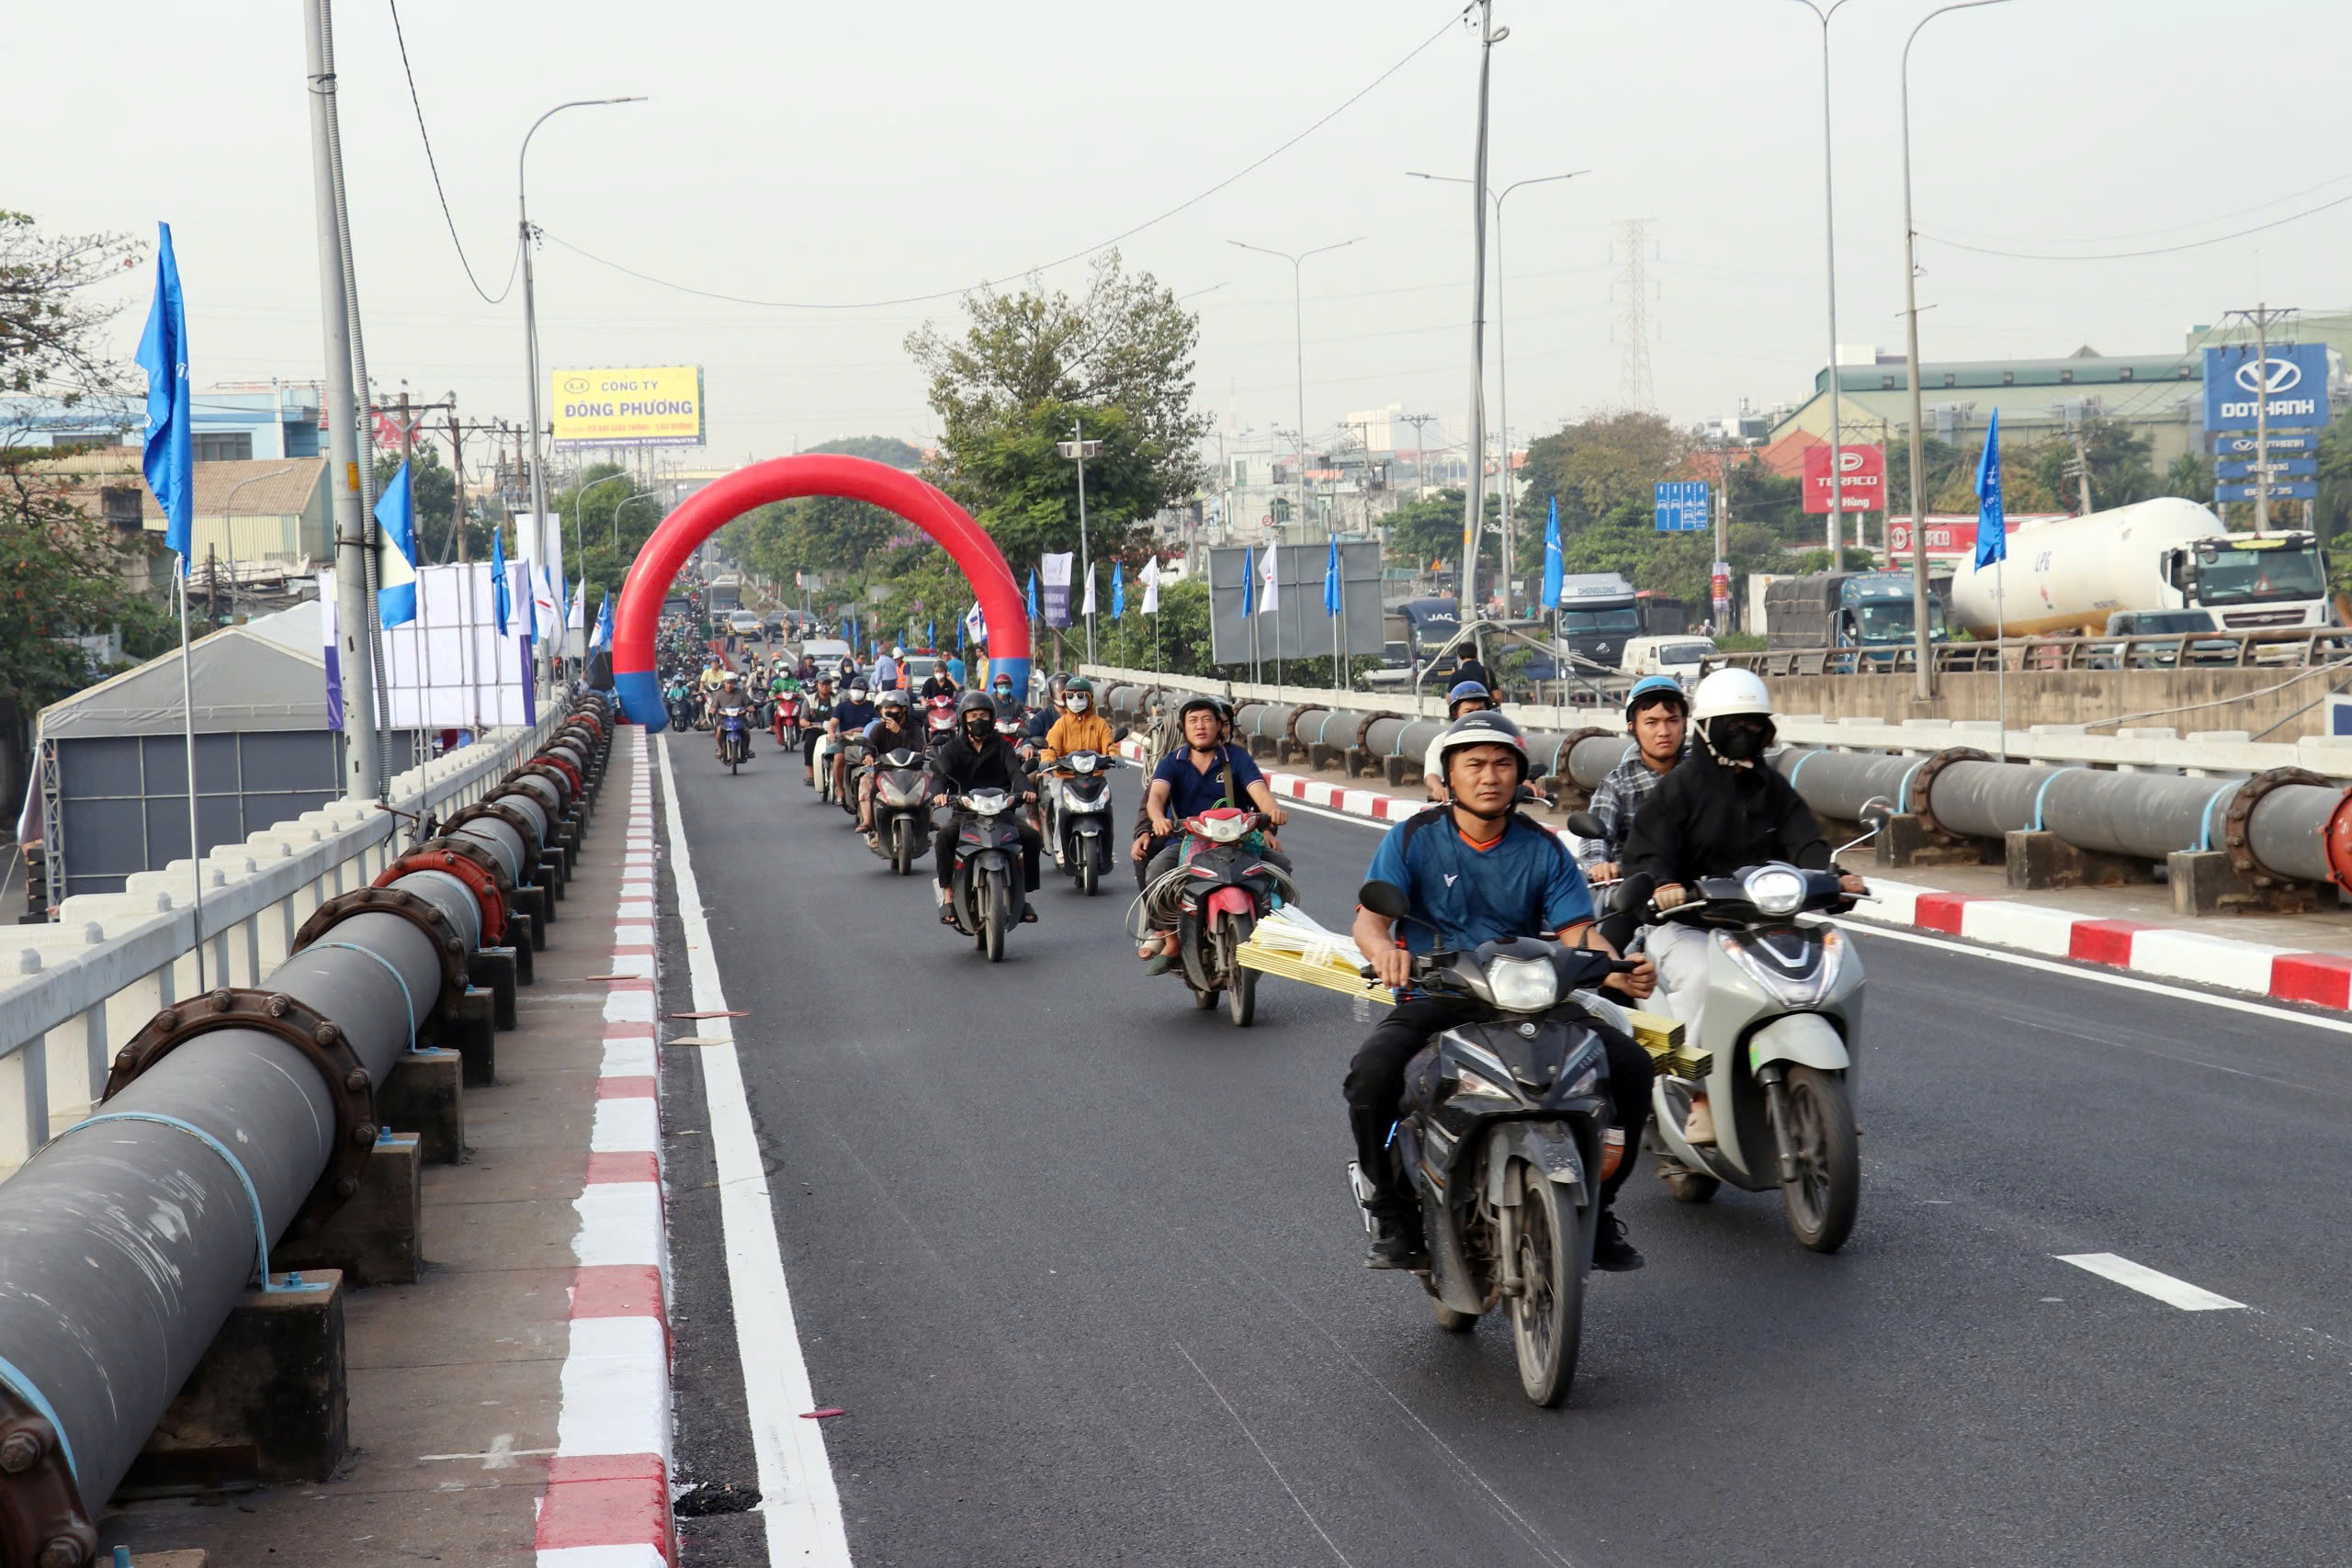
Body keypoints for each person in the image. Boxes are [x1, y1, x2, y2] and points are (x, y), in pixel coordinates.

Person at [1348, 712, 1659, 1271]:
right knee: (1371, 1077)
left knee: (1632, 1069)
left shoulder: (1544, 848)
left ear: (1519, 775)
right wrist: (1386, 953)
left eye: (1502, 764)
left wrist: (1616, 969)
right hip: (1440, 993)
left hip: (1531, 993)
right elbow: (1371, 922)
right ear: (1448, 776)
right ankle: (1392, 1210)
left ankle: (1600, 1207)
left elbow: (1578, 934)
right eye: (1475, 764)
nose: (1489, 776)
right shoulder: (1413, 838)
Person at [1622, 668, 1865, 1145]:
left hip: (1761, 923)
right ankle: (1699, 1094)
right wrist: (1666, 883)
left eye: (1754, 724)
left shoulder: (1773, 787)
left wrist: (1835, 879)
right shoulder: (1679, 789)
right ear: (1708, 728)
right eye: (1733, 723)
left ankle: (1833, 1092)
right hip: (1686, 924)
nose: (1744, 733)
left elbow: (1806, 842)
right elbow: (1649, 851)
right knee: (1698, 978)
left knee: (1833, 970)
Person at [1134, 695, 1291, 971]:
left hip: (1238, 839)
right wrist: (1158, 819)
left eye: (1207, 719)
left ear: (1220, 726)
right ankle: (1170, 937)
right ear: (1183, 728)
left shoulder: (1237, 759)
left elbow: (1260, 793)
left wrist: (1272, 814)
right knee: (1157, 871)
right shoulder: (1172, 762)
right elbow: (1155, 796)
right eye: (1193, 721)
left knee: (1279, 866)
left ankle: (1271, 927)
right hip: (1188, 841)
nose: (1200, 726)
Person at [929, 690, 1044, 924]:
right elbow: (941, 773)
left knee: (1031, 837)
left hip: (1001, 812)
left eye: (983, 715)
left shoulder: (1002, 746)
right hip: (966, 813)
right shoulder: (953, 747)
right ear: (964, 720)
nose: (978, 720)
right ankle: (948, 894)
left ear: (991, 719)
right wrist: (938, 794)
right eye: (973, 716)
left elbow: (1016, 772)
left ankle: (1023, 895)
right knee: (944, 837)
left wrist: (1026, 790)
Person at [1571, 676, 1689, 881]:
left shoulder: (1704, 770)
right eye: (1651, 723)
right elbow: (1596, 837)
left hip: (1704, 890)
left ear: (1685, 724)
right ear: (1632, 726)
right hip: (1640, 895)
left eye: (1672, 721)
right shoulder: (1617, 784)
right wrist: (1599, 864)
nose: (1664, 732)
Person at [856, 690, 928, 836]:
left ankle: (927, 825)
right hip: (884, 772)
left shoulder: (915, 727)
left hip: (911, 772)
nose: (888, 712)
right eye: (886, 708)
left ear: (903, 709)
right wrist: (868, 755)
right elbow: (869, 745)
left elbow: (920, 748)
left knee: (928, 788)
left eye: (892, 708)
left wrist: (899, 732)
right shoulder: (879, 728)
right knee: (867, 785)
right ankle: (871, 825)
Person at [1420, 681, 1498, 798]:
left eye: (1480, 710)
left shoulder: (1498, 738)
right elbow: (1432, 774)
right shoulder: (1443, 741)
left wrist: (1524, 782)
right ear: (1455, 713)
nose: (1475, 716)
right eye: (1468, 712)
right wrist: (1437, 788)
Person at [1038, 675, 1112, 763]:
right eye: (1070, 696)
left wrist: (1115, 755)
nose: (1075, 700)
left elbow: (1109, 745)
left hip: (1094, 774)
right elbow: (1051, 747)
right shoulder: (1061, 725)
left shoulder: (1101, 724)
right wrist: (1047, 760)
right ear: (1065, 698)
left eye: (1081, 695)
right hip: (1064, 774)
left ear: (1090, 698)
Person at [827, 677, 879, 799]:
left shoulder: (872, 707)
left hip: (867, 741)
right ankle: (840, 788)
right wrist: (831, 732)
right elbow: (833, 723)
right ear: (850, 690)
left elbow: (877, 723)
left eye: (860, 689)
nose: (857, 692)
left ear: (866, 692)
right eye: (855, 689)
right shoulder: (842, 706)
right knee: (838, 758)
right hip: (847, 740)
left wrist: (860, 729)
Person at [711, 673, 754, 761]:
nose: (729, 685)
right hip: (724, 719)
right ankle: (720, 749)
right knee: (719, 730)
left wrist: (750, 708)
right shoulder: (719, 694)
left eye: (732, 683)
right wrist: (713, 709)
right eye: (727, 683)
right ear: (724, 683)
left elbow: (749, 704)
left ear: (735, 683)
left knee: (746, 731)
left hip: (739, 718)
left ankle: (746, 749)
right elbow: (714, 706)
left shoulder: (741, 693)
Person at [801, 675, 836, 785]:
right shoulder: (810, 699)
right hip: (815, 729)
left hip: (834, 729)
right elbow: (802, 719)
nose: (825, 687)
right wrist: (807, 723)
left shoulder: (838, 699)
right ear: (817, 685)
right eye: (822, 684)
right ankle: (810, 774)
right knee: (809, 743)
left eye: (827, 684)